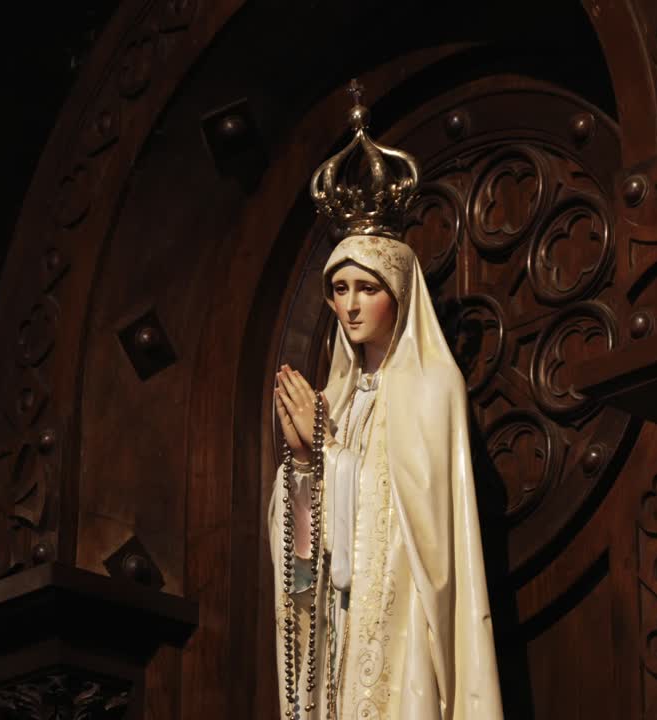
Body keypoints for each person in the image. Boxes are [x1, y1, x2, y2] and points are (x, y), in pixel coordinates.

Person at [268, 84, 503, 720]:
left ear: (397, 293)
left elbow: (433, 548)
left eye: (365, 287)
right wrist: (307, 466)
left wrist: (329, 455)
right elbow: (306, 575)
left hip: (403, 631)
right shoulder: (335, 403)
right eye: (339, 288)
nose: (348, 305)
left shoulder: (433, 389)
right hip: (341, 644)